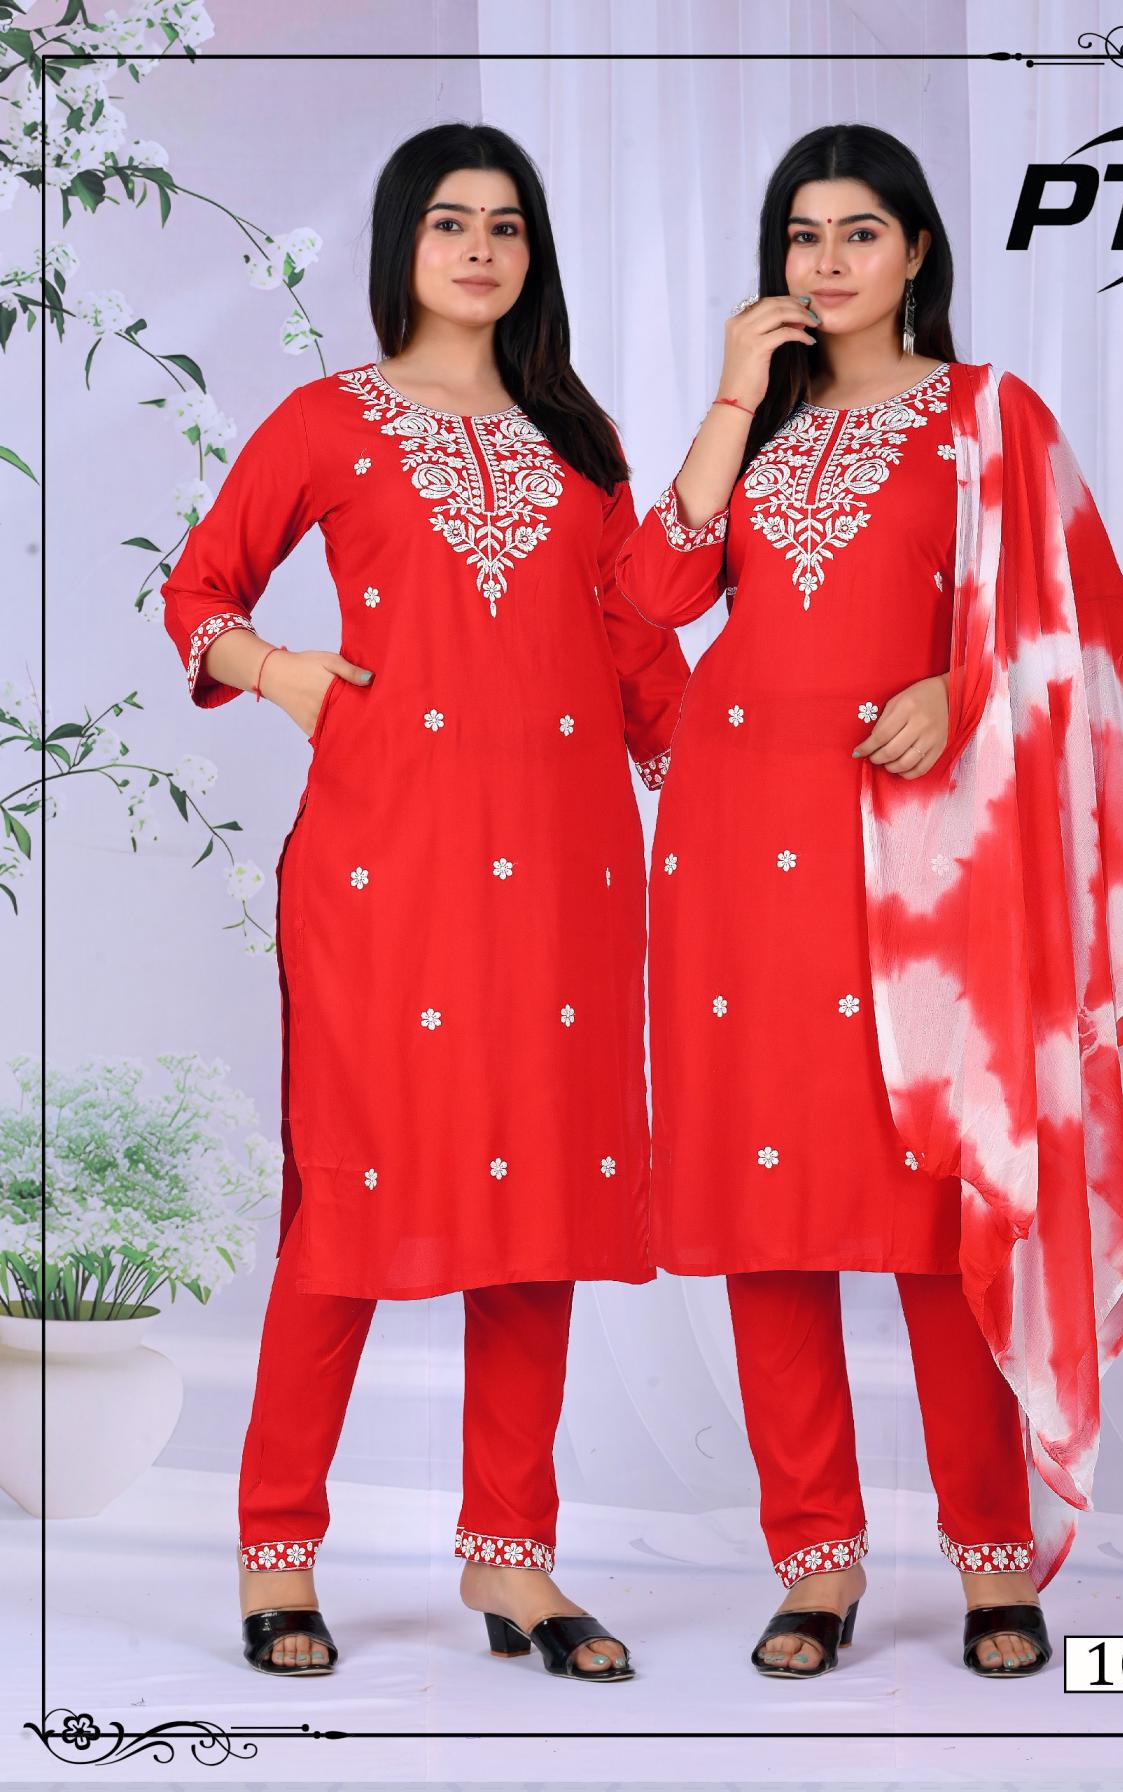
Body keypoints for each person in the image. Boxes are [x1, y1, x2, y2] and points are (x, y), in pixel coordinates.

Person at [614, 122, 1123, 1680]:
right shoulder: (761, 427)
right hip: (735, 843)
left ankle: (993, 1557)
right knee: (768, 1215)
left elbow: (1087, 618)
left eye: (858, 233)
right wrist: (733, 393)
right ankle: (814, 1562)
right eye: (802, 238)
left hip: (920, 862)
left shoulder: (989, 416)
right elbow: (654, 597)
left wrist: (965, 684)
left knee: (942, 1199)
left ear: (918, 249)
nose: (827, 262)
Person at [160, 122, 690, 1682]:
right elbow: (196, 591)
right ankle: (276, 1547)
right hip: (386, 868)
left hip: (568, 879)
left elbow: (645, 667)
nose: (479, 249)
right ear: (401, 243)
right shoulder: (328, 421)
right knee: (349, 1201)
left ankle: (509, 1558)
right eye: (451, 222)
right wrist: (282, 672)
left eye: (506, 226)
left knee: (538, 1211)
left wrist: (765, 780)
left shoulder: (579, 443)